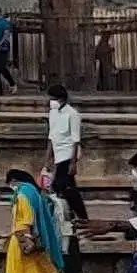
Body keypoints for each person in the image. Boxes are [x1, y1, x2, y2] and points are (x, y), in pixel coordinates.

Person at [5, 167, 73, 273]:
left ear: (14, 181)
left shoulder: (22, 195)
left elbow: (26, 219)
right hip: (35, 240)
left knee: (13, 271)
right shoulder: (34, 193)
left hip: (21, 238)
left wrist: (25, 236)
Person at [44, 84, 89, 222]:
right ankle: (74, 216)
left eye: (53, 99)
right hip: (58, 154)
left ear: (61, 99)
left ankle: (80, 217)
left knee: (60, 184)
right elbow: (51, 136)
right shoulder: (52, 113)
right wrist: (47, 158)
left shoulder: (73, 114)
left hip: (68, 154)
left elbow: (75, 140)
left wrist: (73, 162)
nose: (50, 102)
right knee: (66, 188)